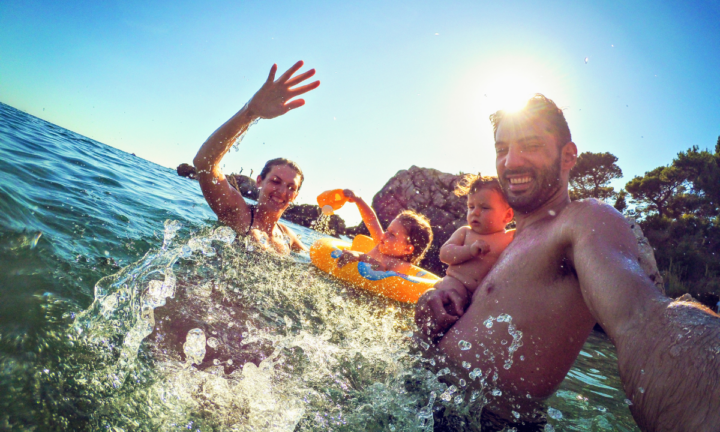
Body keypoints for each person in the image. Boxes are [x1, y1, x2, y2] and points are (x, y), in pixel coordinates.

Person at [415, 94, 720, 431]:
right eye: (502, 149)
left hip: (480, 423)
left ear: (567, 156)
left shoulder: (581, 221)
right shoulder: (508, 242)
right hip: (427, 395)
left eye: (530, 145)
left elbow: (643, 317)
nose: (511, 162)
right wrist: (441, 294)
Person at [193, 61, 320, 254]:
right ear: (259, 181)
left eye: (291, 187)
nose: (282, 191)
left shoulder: (287, 236)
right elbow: (204, 164)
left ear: (295, 196)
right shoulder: (238, 213)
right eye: (276, 181)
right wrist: (250, 112)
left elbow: (317, 265)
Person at [427, 174, 515, 331]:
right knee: (449, 303)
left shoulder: (509, 237)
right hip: (454, 284)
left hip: (478, 298)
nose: (475, 212)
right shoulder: (465, 233)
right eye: (471, 207)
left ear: (507, 215)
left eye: (485, 207)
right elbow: (445, 254)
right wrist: (469, 250)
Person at [336, 189, 433, 274]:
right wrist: (358, 200)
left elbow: (379, 268)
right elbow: (371, 220)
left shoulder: (402, 266)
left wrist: (359, 256)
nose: (385, 234)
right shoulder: (381, 244)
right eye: (387, 230)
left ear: (407, 249)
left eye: (392, 234)